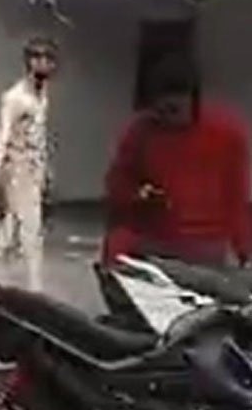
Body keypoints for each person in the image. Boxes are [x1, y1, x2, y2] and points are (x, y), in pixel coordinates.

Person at [102, 54, 249, 267]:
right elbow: (117, 184)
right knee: (118, 247)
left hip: (205, 243)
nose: (167, 119)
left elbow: (236, 195)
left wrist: (244, 249)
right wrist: (140, 194)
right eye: (160, 112)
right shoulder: (140, 132)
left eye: (174, 110)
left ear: (193, 101)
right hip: (154, 236)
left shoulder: (226, 132)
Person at [0, 35, 59, 291]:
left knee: (10, 232)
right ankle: (35, 288)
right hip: (18, 169)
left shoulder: (41, 96)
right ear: (29, 62)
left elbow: (39, 134)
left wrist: (45, 169)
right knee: (30, 232)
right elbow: (3, 134)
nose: (45, 64)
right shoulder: (16, 97)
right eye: (39, 58)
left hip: (33, 169)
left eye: (49, 59)